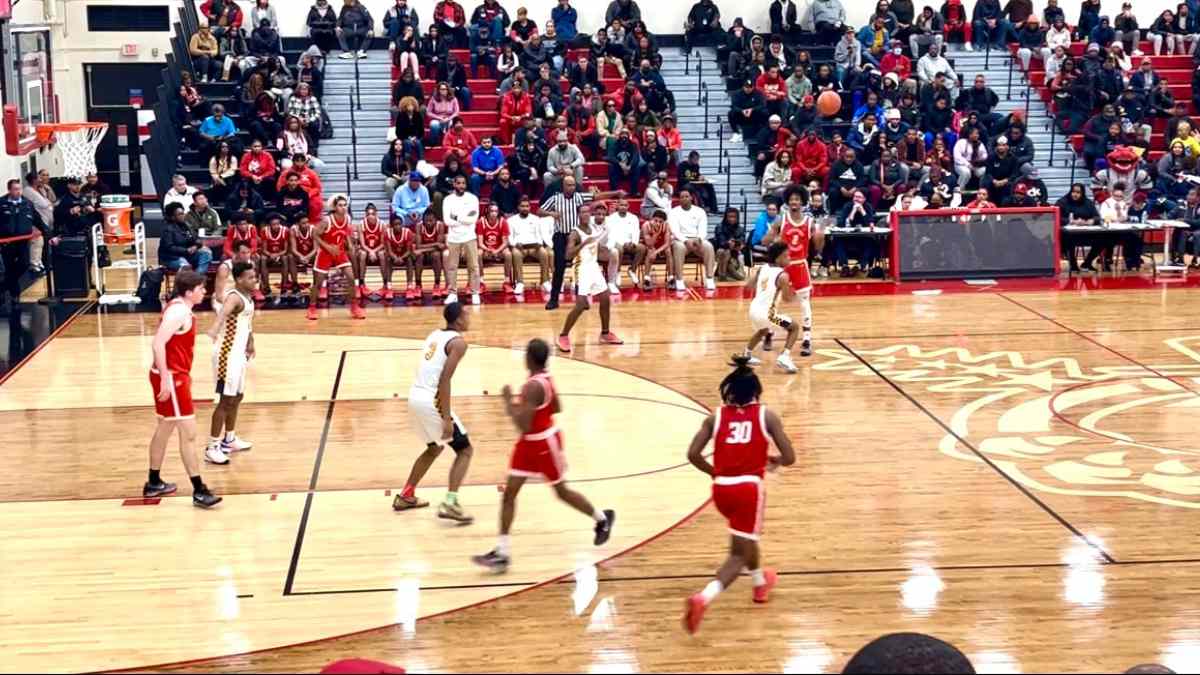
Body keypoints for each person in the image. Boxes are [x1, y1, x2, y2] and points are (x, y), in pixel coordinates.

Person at [473, 337, 616, 573]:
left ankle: (602, 519)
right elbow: (557, 407)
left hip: (542, 444)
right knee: (509, 494)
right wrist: (534, 406)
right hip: (531, 444)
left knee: (561, 492)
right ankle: (502, 552)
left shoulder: (532, 386)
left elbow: (524, 425)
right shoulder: (545, 379)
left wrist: (509, 402)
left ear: (528, 358)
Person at [682, 354, 796, 634]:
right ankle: (704, 597)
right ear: (757, 392)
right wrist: (775, 461)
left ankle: (759, 583)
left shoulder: (715, 417)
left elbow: (692, 455)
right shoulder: (766, 416)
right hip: (748, 489)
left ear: (728, 391)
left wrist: (714, 471)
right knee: (737, 554)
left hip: (721, 491)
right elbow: (790, 457)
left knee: (747, 540)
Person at [143, 270, 222, 508]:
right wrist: (167, 378)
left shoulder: (177, 306)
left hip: (173, 376)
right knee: (188, 434)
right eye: (201, 289)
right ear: (189, 292)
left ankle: (153, 482)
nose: (204, 292)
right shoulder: (179, 312)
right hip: (172, 379)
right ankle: (199, 489)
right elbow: (157, 343)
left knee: (165, 427)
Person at [393, 302, 475, 523]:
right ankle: (450, 502)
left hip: (414, 397)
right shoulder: (458, 343)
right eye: (466, 314)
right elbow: (444, 380)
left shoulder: (435, 334)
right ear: (458, 320)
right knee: (465, 450)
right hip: (431, 400)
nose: (469, 317)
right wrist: (446, 418)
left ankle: (406, 496)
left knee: (434, 448)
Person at [203, 258, 257, 468]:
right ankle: (212, 447)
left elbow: (247, 323)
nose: (255, 280)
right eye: (250, 277)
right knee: (225, 400)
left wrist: (251, 342)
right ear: (239, 279)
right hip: (226, 353)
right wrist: (215, 328)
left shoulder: (248, 296)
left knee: (238, 395)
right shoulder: (233, 297)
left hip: (239, 353)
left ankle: (229, 439)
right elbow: (223, 313)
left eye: (255, 276)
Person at [554, 204, 624, 352]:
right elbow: (567, 255)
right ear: (578, 215)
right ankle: (563, 335)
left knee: (605, 299)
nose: (586, 214)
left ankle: (605, 333)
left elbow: (598, 244)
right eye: (583, 212)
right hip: (581, 269)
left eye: (587, 212)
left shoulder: (594, 228)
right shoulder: (575, 233)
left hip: (593, 267)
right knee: (581, 305)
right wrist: (582, 244)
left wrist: (608, 254)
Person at [762, 187, 818, 358]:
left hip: (800, 265)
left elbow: (818, 245)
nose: (794, 202)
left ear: (802, 201)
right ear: (788, 201)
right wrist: (772, 237)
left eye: (797, 199)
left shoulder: (810, 222)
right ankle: (769, 333)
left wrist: (820, 237)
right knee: (774, 303)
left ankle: (807, 338)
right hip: (782, 267)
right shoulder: (782, 219)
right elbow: (765, 240)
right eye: (792, 199)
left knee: (804, 303)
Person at [307, 195, 365, 320]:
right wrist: (327, 247)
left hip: (339, 251)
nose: (343, 208)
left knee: (351, 278)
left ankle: (354, 307)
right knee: (318, 282)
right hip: (325, 253)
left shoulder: (347, 218)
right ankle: (312, 308)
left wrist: (350, 245)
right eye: (340, 205)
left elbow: (346, 233)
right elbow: (314, 234)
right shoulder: (327, 221)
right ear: (334, 207)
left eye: (345, 205)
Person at [0, 179, 48, 311]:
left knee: (24, 264)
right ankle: (15, 296)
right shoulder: (1, 203)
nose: (18, 192)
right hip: (6, 243)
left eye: (19, 189)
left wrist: (47, 232)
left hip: (22, 242)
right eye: (15, 189)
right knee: (9, 268)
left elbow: (37, 219)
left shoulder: (27, 203)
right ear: (9, 190)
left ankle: (3, 287)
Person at [443, 174, 482, 306]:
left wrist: (456, 217)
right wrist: (463, 219)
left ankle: (475, 292)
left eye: (463, 183)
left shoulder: (473, 199)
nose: (461, 186)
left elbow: (473, 219)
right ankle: (452, 293)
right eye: (458, 183)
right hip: (453, 238)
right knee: (452, 267)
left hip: (470, 237)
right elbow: (447, 220)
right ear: (454, 184)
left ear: (466, 185)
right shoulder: (447, 200)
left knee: (474, 266)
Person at [669, 190, 717, 291]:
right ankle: (679, 280)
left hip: (697, 239)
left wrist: (699, 239)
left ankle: (709, 278)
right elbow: (675, 231)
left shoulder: (700, 211)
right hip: (681, 240)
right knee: (679, 247)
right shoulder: (673, 212)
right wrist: (686, 240)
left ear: (691, 198)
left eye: (687, 196)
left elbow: (703, 229)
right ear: (679, 200)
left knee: (708, 246)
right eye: (682, 197)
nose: (684, 199)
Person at [509, 197, 551, 295]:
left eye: (527, 206)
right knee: (515, 253)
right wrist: (515, 244)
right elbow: (510, 237)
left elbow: (540, 235)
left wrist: (539, 243)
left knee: (544, 252)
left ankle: (545, 281)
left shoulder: (536, 219)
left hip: (534, 247)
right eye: (522, 206)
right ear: (518, 207)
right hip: (520, 248)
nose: (525, 208)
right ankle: (519, 283)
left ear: (530, 207)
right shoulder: (511, 220)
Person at [159, 204, 213, 275]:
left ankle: (196, 277)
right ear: (172, 217)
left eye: (183, 213)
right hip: (172, 258)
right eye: (180, 214)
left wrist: (196, 246)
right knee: (186, 267)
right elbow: (169, 247)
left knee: (206, 255)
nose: (183, 215)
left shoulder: (186, 225)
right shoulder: (167, 229)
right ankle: (194, 280)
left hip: (187, 255)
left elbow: (196, 239)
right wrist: (186, 250)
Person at [604, 196, 643, 291]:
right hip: (615, 242)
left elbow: (636, 232)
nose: (623, 207)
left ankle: (632, 270)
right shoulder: (610, 218)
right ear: (617, 206)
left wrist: (633, 243)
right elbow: (610, 234)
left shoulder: (633, 218)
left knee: (641, 248)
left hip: (629, 243)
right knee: (619, 249)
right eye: (621, 205)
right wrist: (622, 243)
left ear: (628, 206)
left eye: (625, 205)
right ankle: (617, 272)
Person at [476, 203, 515, 293]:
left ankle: (507, 281)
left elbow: (505, 243)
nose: (494, 213)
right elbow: (480, 243)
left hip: (499, 248)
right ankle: (481, 282)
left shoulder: (503, 222)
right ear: (487, 212)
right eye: (492, 211)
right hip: (486, 248)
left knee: (508, 254)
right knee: (478, 254)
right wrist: (489, 250)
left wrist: (497, 251)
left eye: (496, 211)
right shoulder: (481, 222)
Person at [353, 204, 388, 300]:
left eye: (373, 213)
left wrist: (373, 251)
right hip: (366, 250)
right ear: (365, 215)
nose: (370, 216)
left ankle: (385, 284)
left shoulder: (382, 225)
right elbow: (362, 244)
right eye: (368, 214)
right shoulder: (361, 225)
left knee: (382, 254)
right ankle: (361, 284)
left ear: (376, 214)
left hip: (378, 250)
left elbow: (382, 244)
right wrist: (370, 251)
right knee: (362, 254)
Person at [259, 214, 296, 303]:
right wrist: (270, 255)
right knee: (263, 259)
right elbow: (264, 249)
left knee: (285, 258)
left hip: (281, 254)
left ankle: (284, 286)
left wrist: (277, 255)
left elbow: (286, 249)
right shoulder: (265, 231)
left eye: (277, 224)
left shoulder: (285, 230)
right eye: (273, 224)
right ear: (269, 225)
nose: (276, 226)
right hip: (269, 254)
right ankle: (266, 287)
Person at [384, 214, 418, 300]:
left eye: (399, 224)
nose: (398, 226)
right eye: (395, 224)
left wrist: (401, 258)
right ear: (392, 226)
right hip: (393, 256)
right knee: (388, 259)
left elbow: (409, 250)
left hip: (405, 255)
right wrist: (395, 257)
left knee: (410, 259)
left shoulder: (407, 232)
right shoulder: (387, 233)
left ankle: (409, 287)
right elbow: (389, 250)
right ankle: (389, 287)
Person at [415, 208, 448, 296]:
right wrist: (435, 244)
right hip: (424, 254)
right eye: (426, 221)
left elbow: (440, 247)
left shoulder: (440, 225)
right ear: (423, 220)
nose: (428, 223)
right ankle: (418, 285)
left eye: (431, 220)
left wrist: (424, 248)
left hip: (434, 254)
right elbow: (418, 246)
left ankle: (437, 285)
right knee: (419, 256)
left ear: (436, 220)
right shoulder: (419, 226)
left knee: (436, 254)